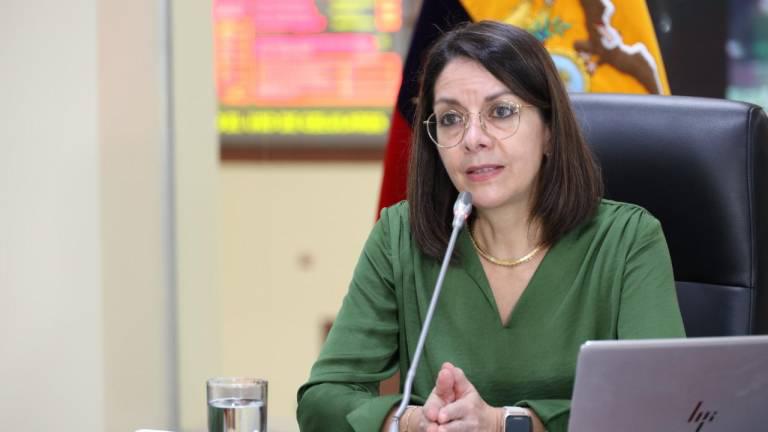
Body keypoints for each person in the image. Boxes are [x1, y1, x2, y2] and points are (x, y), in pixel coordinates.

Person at [296, 20, 685, 432]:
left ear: (550, 131)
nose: (473, 138)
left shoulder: (627, 239)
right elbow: (322, 400)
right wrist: (410, 422)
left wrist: (505, 423)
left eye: (500, 112)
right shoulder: (401, 236)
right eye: (450, 118)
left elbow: (665, 405)